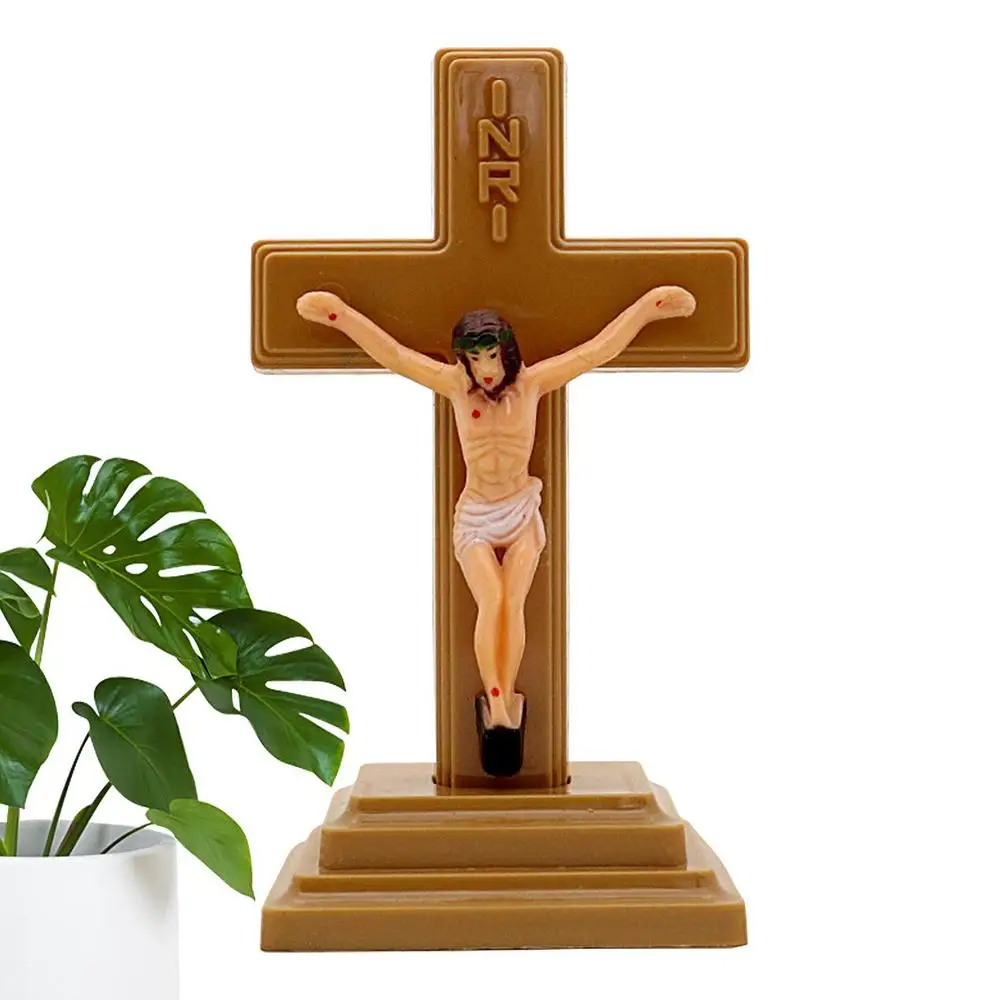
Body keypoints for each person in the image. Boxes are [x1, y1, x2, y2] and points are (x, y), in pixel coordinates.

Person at [296, 286, 696, 743]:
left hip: (520, 508)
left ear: (507, 352)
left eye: (491, 356)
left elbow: (595, 351)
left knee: (514, 602)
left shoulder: (532, 384)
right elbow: (395, 356)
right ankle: (497, 696)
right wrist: (339, 315)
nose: (485, 370)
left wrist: (649, 307)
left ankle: (504, 697)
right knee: (492, 599)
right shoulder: (455, 386)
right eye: (474, 359)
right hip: (476, 515)